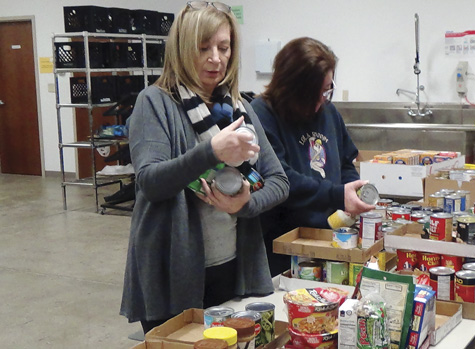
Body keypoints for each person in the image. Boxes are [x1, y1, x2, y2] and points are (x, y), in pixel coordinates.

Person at [120, 1, 289, 334]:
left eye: (224, 48)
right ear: (183, 50)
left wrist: (246, 203)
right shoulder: (154, 103)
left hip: (232, 267)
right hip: (172, 273)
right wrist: (211, 151)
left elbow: (279, 181)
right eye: (204, 48)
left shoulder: (239, 108)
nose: (216, 58)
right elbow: (151, 182)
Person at [251, 37, 375, 277]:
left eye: (326, 91)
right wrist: (338, 194)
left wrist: (353, 191)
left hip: (331, 238)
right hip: (284, 245)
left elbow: (345, 163)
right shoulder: (263, 113)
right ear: (291, 89)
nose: (321, 101)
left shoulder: (328, 110)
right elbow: (282, 179)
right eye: (314, 94)